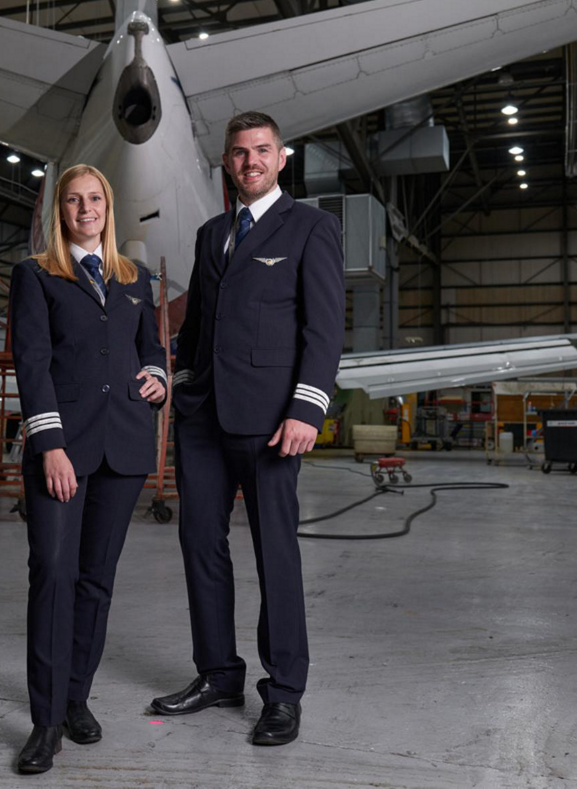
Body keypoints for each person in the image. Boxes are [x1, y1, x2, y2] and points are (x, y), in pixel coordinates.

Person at [149, 111, 345, 746]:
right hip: (204, 420)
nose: (250, 161)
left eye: (262, 150)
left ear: (281, 158)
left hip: (271, 422)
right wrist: (177, 392)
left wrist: (307, 408)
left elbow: (324, 329)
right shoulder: (212, 235)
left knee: (275, 554)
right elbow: (197, 329)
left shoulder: (313, 228)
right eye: (238, 153)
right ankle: (218, 674)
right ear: (226, 164)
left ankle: (283, 692)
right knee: (200, 547)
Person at [8, 163, 168, 774]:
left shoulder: (134, 278)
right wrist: (50, 446)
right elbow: (32, 362)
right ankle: (45, 722)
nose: (85, 208)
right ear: (60, 211)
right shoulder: (37, 275)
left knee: (96, 580)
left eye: (94, 198)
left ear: (108, 205)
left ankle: (76, 696)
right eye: (73, 200)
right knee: (52, 571)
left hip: (123, 447)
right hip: (62, 448)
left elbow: (149, 350)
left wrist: (154, 378)